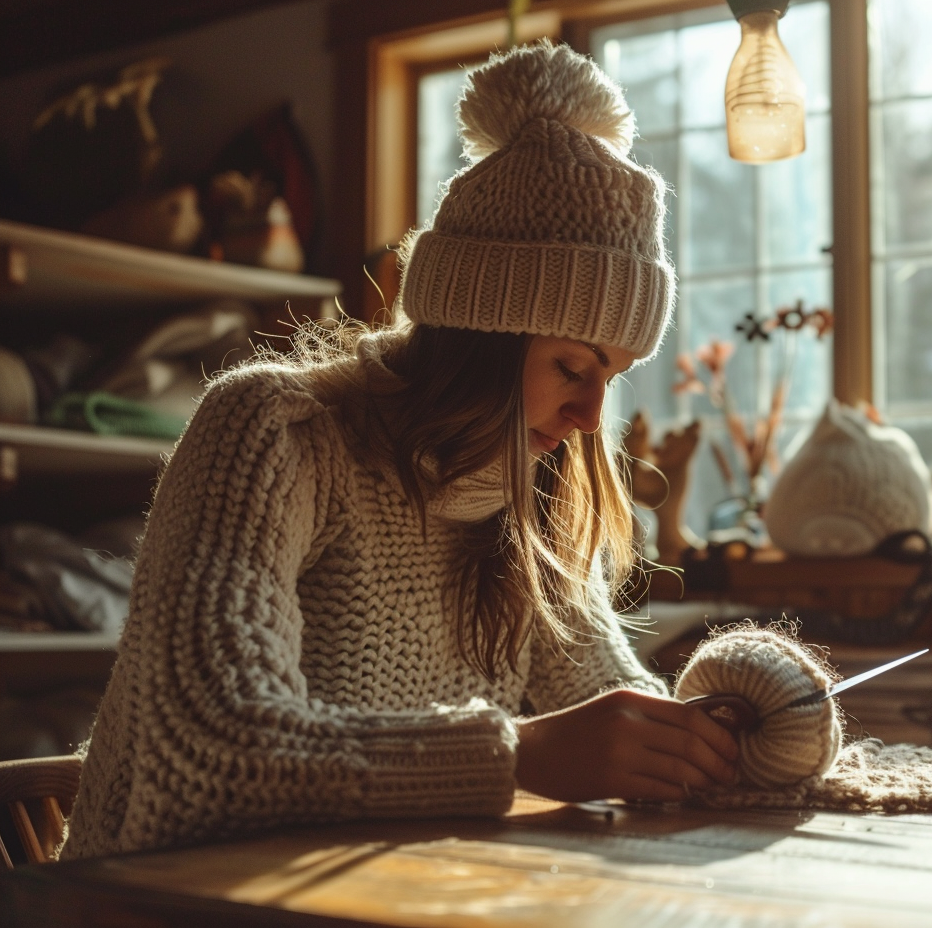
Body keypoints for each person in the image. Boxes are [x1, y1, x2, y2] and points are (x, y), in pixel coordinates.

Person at [60, 41, 740, 860]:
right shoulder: (278, 433)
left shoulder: (532, 493)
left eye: (612, 378)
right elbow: (209, 751)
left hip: (386, 890)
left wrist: (746, 710)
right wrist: (520, 756)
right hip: (150, 898)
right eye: (572, 367)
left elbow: (615, 706)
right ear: (484, 329)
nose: (594, 418)